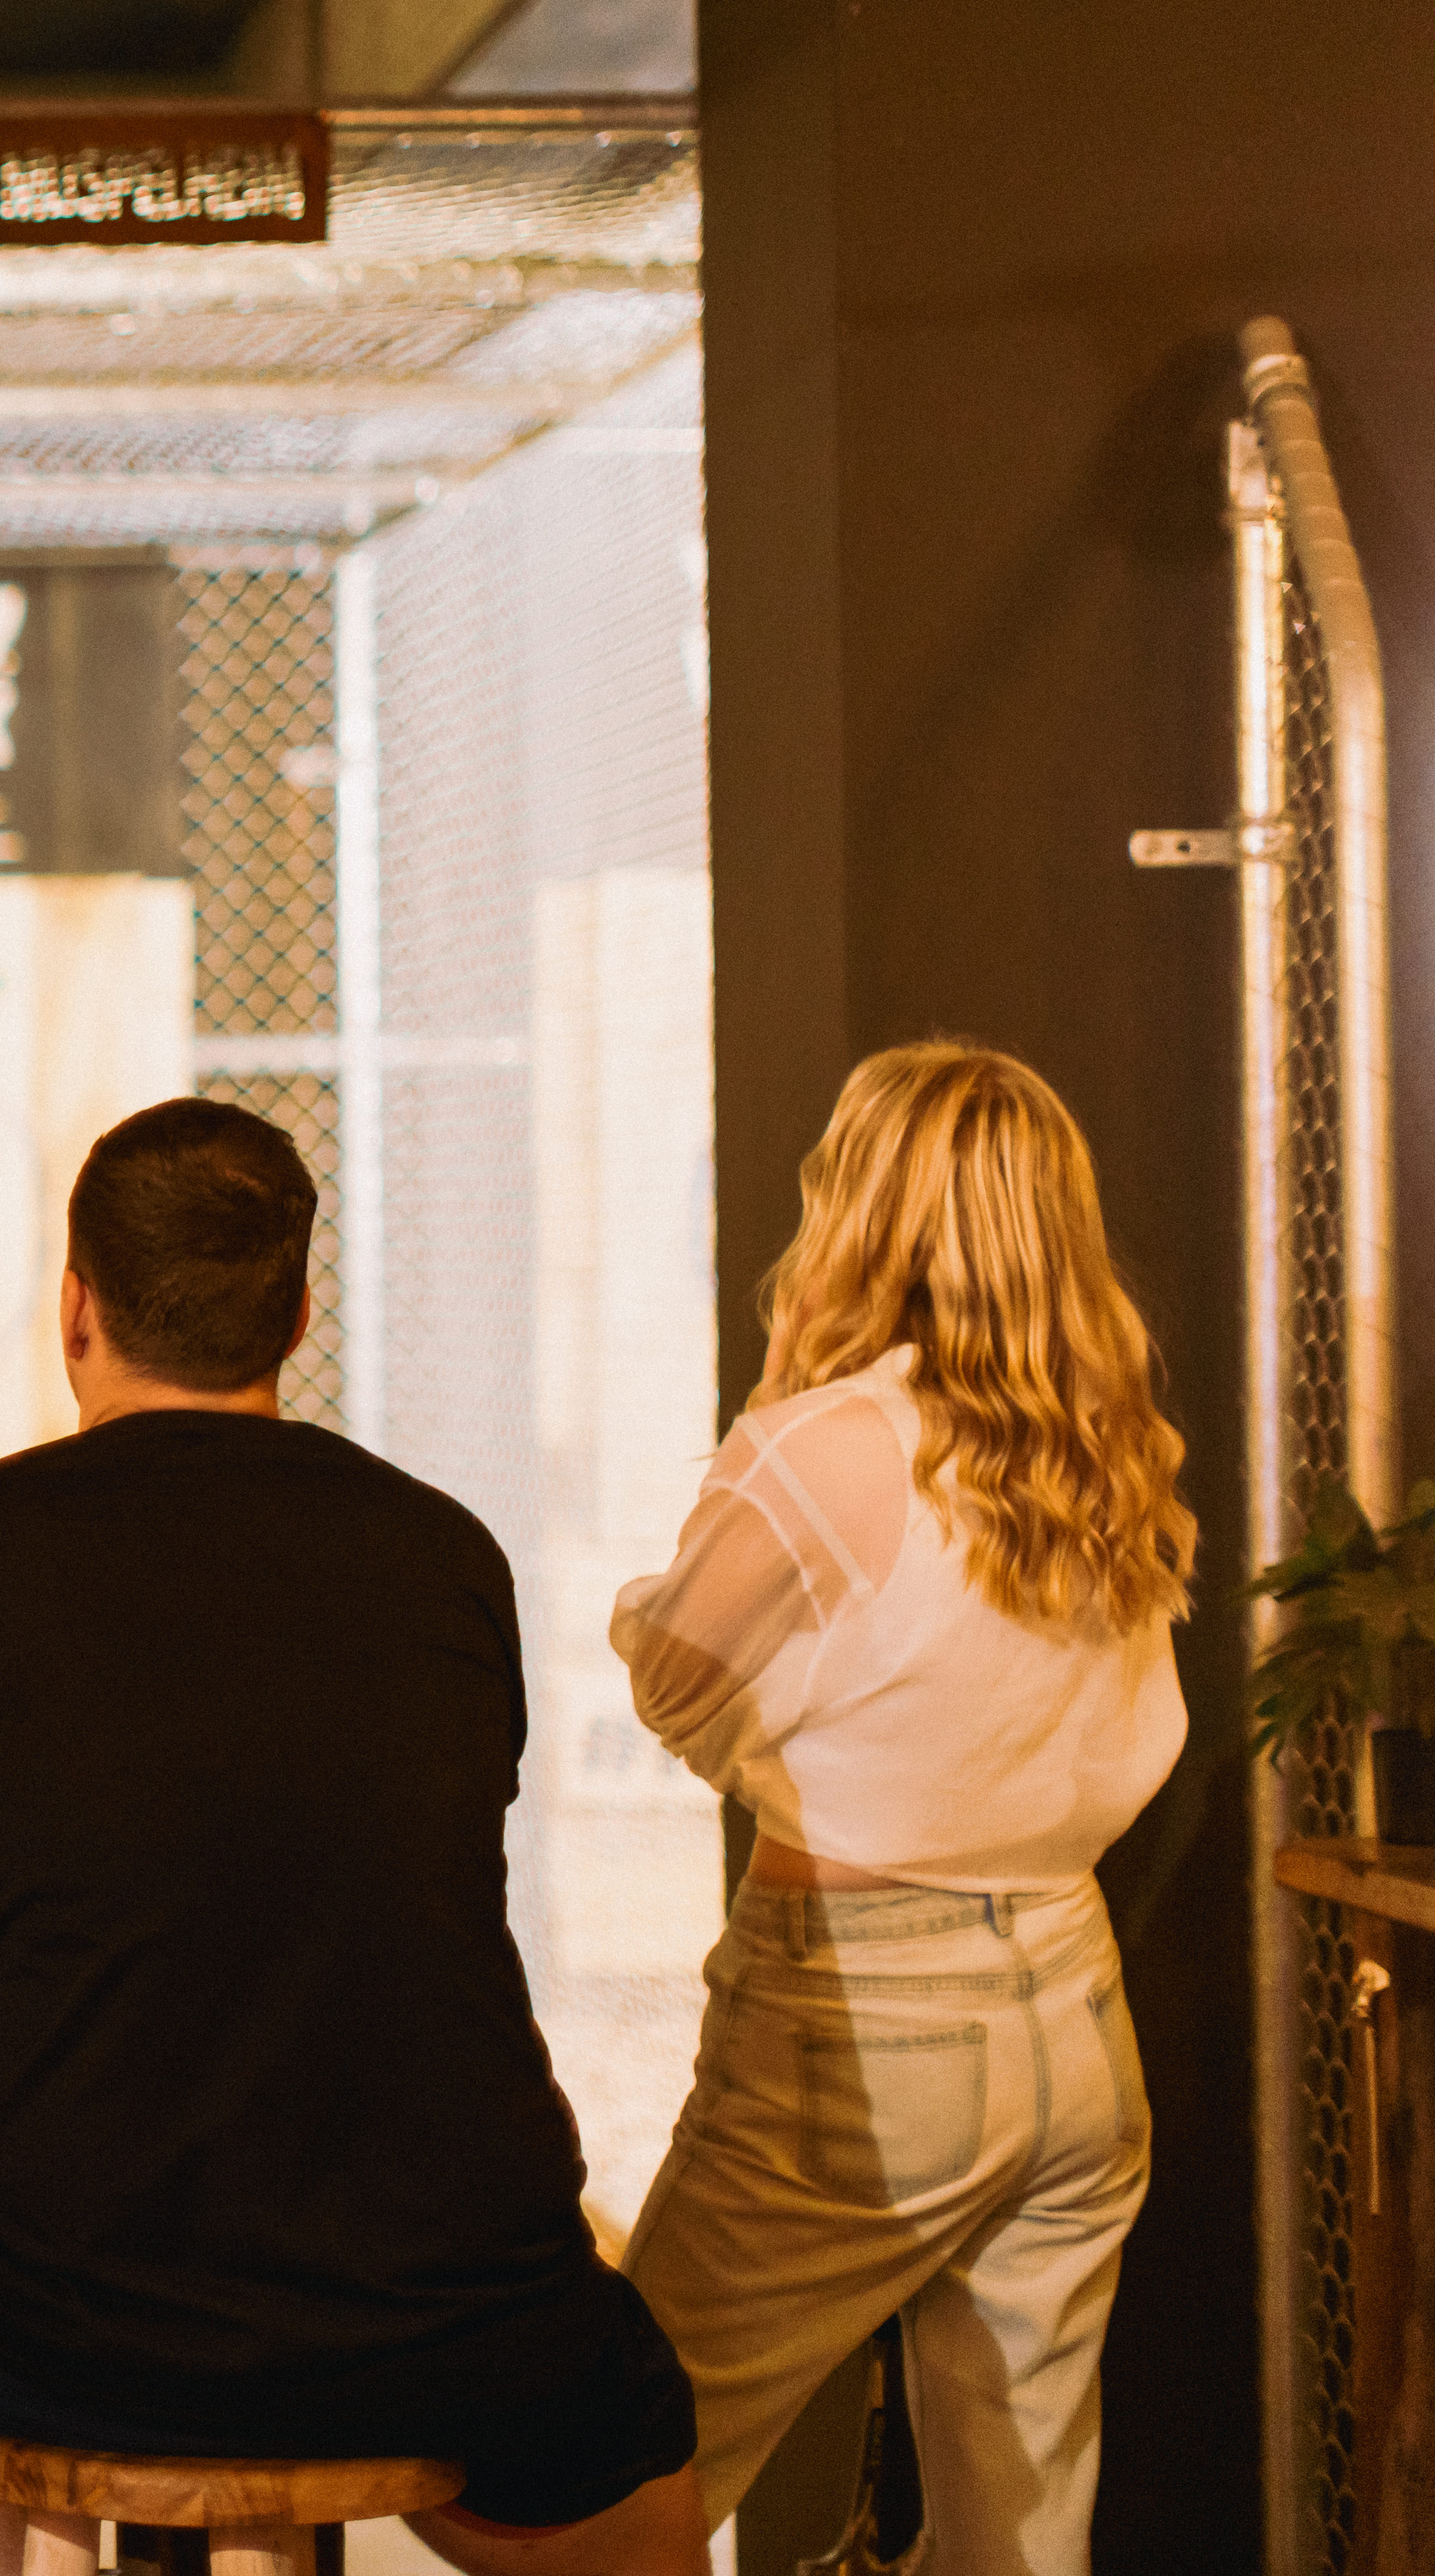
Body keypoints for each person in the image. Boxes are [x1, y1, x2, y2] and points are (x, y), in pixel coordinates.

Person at [0, 1099, 708, 2576]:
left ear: (74, 1305)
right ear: (293, 1309)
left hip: (70, 2296)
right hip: (456, 2292)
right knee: (644, 2471)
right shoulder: (444, 1557)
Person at [612, 1044, 1188, 2571]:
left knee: (618, 2465)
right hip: (1074, 2010)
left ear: (854, 1210)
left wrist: (748, 1711)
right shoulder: (1105, 1449)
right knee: (1021, 2530)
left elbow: (672, 1681)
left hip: (862, 2015)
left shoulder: (827, 1449)